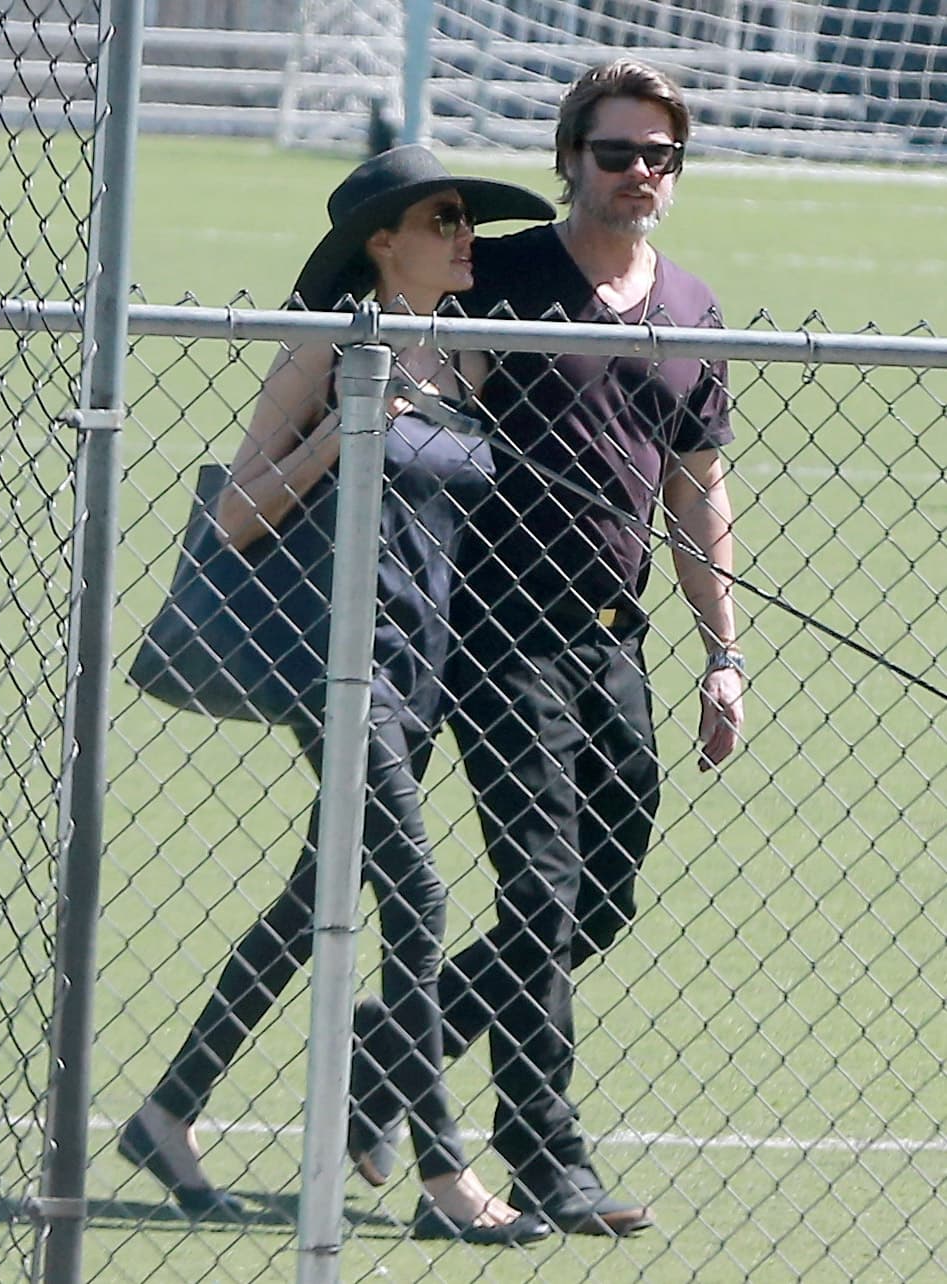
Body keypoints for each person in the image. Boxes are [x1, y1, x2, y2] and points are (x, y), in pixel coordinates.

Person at [118, 146, 555, 1246]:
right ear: (382, 241)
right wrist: (354, 424)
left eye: (467, 220)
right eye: (446, 218)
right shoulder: (330, 344)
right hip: (339, 668)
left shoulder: (467, 358)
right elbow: (233, 516)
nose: (467, 237)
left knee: (307, 903)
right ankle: (448, 1174)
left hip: (425, 669)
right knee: (419, 900)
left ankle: (168, 1112)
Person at [354, 60, 746, 1236]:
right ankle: (545, 1153)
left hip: (612, 641)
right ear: (570, 157)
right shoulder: (511, 272)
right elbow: (412, 347)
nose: (639, 173)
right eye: (618, 151)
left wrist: (724, 655)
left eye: (659, 156)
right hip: (494, 631)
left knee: (601, 894)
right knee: (540, 888)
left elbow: (696, 487)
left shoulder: (690, 310)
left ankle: (394, 1046)